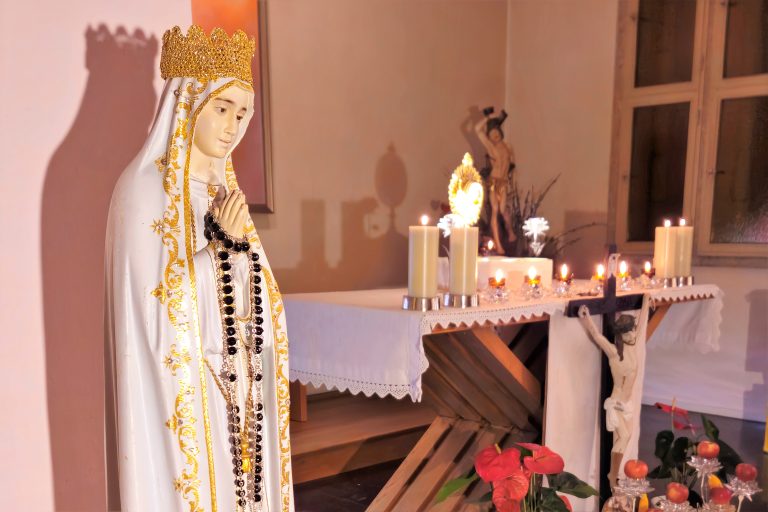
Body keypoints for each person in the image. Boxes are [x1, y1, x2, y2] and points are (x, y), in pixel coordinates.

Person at [105, 26, 293, 511]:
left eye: (242, 113)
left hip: (235, 387)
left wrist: (236, 257)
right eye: (221, 108)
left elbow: (258, 299)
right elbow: (151, 314)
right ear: (188, 104)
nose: (232, 126)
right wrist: (220, 251)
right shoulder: (144, 191)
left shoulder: (222, 192)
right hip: (185, 390)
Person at [475, 107, 516, 253]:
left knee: (504, 210)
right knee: (495, 210)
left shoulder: (508, 147)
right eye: (491, 134)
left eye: (496, 132)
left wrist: (511, 180)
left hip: (504, 182)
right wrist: (487, 118)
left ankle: (510, 232)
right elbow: (477, 130)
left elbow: (512, 165)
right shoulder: (491, 147)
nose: (495, 136)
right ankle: (498, 244)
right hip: (493, 181)